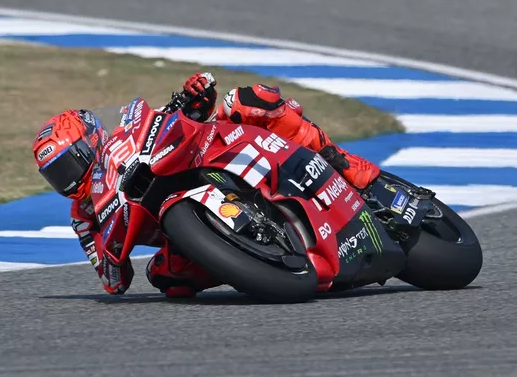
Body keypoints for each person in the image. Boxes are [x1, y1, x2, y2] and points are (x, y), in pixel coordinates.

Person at [31, 73, 380, 298]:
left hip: (219, 157)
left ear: (90, 142)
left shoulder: (126, 134)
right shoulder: (83, 216)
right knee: (167, 278)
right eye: (56, 175)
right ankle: (255, 261)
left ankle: (342, 162)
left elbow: (188, 114)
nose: (68, 180)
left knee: (246, 101)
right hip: (185, 230)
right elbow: (113, 280)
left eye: (67, 166)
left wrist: (193, 96)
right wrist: (108, 250)